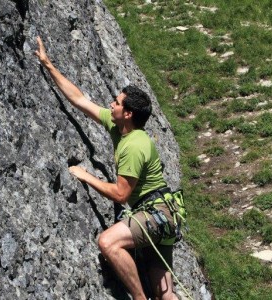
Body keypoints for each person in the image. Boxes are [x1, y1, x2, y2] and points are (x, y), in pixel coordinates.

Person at [35, 36, 179, 300]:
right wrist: (48, 64)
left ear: (128, 113)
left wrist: (86, 176)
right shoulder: (118, 127)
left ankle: (138, 298)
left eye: (117, 102)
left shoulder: (135, 145)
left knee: (108, 242)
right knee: (166, 294)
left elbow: (121, 195)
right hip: (164, 215)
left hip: (153, 213)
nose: (111, 104)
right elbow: (80, 100)